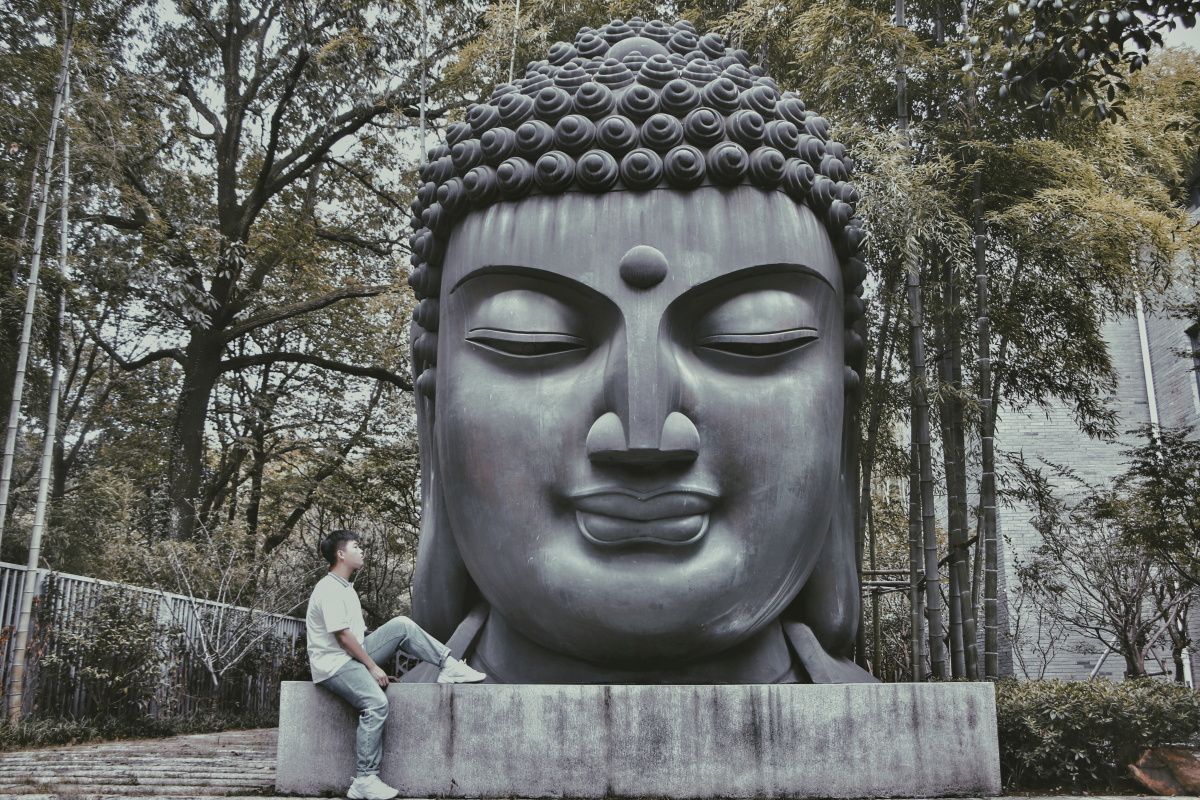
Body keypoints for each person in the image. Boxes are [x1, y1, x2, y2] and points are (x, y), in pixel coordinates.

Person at [402, 18, 875, 684]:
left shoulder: (891, 727)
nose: (646, 437)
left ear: (842, 424)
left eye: (752, 335)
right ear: (432, 415)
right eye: (530, 336)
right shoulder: (400, 717)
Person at [307, 529, 485, 800]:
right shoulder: (329, 588)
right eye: (355, 546)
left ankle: (447, 665)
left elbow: (353, 640)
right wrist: (372, 667)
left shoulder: (345, 587)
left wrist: (367, 669)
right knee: (375, 704)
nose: (361, 550)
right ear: (340, 554)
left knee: (402, 625)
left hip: (349, 658)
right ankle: (365, 780)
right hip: (334, 665)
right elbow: (343, 637)